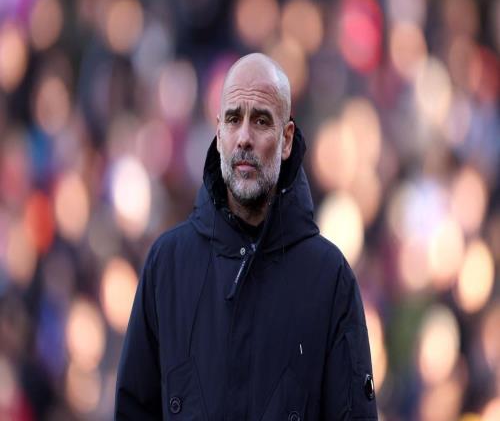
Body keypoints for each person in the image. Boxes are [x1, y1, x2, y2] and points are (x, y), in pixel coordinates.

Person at [115, 53, 378, 420]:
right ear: (218, 133)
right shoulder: (167, 267)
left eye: (261, 121)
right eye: (234, 119)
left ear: (287, 140)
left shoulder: (329, 278)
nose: (244, 138)